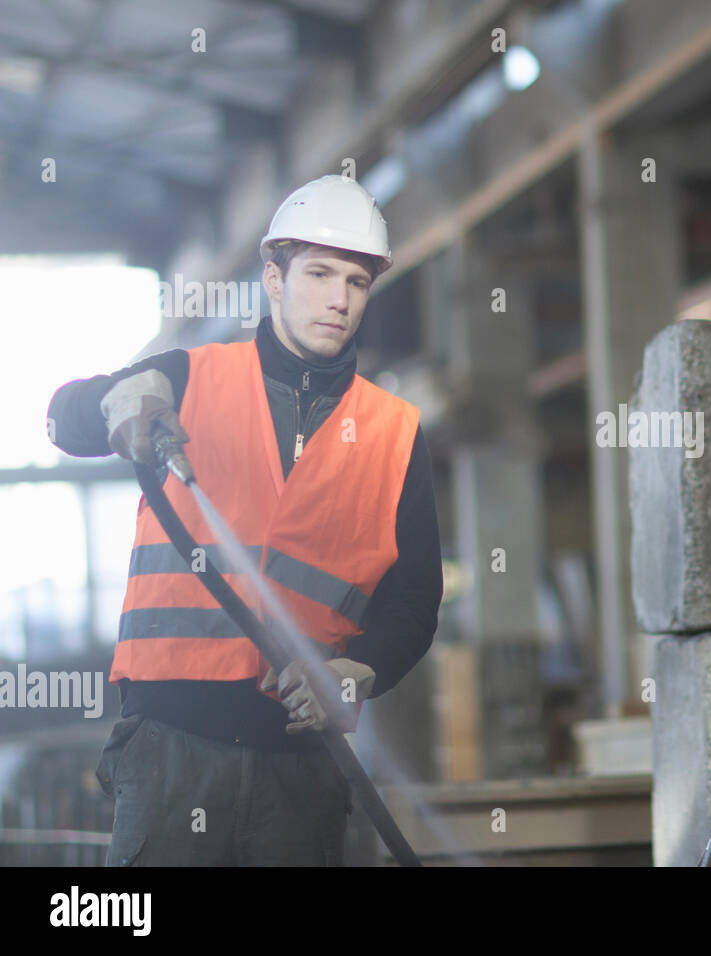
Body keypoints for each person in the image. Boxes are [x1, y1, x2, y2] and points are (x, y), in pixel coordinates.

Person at [46, 175, 443, 866]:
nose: (338, 299)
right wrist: (119, 398)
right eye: (318, 274)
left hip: (301, 762)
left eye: (356, 281)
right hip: (172, 752)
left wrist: (355, 674)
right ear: (272, 277)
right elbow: (60, 416)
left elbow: (415, 600)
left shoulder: (394, 434)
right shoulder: (189, 376)